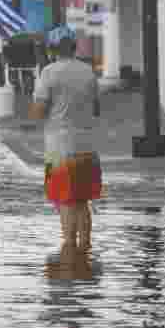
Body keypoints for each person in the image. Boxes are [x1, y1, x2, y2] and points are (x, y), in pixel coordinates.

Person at [30, 25, 103, 254]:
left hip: (60, 147)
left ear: (52, 49)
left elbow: (39, 112)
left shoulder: (49, 73)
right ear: (74, 47)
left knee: (65, 201)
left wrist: (34, 103)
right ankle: (86, 248)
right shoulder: (88, 72)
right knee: (82, 201)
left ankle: (69, 249)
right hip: (87, 147)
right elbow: (96, 109)